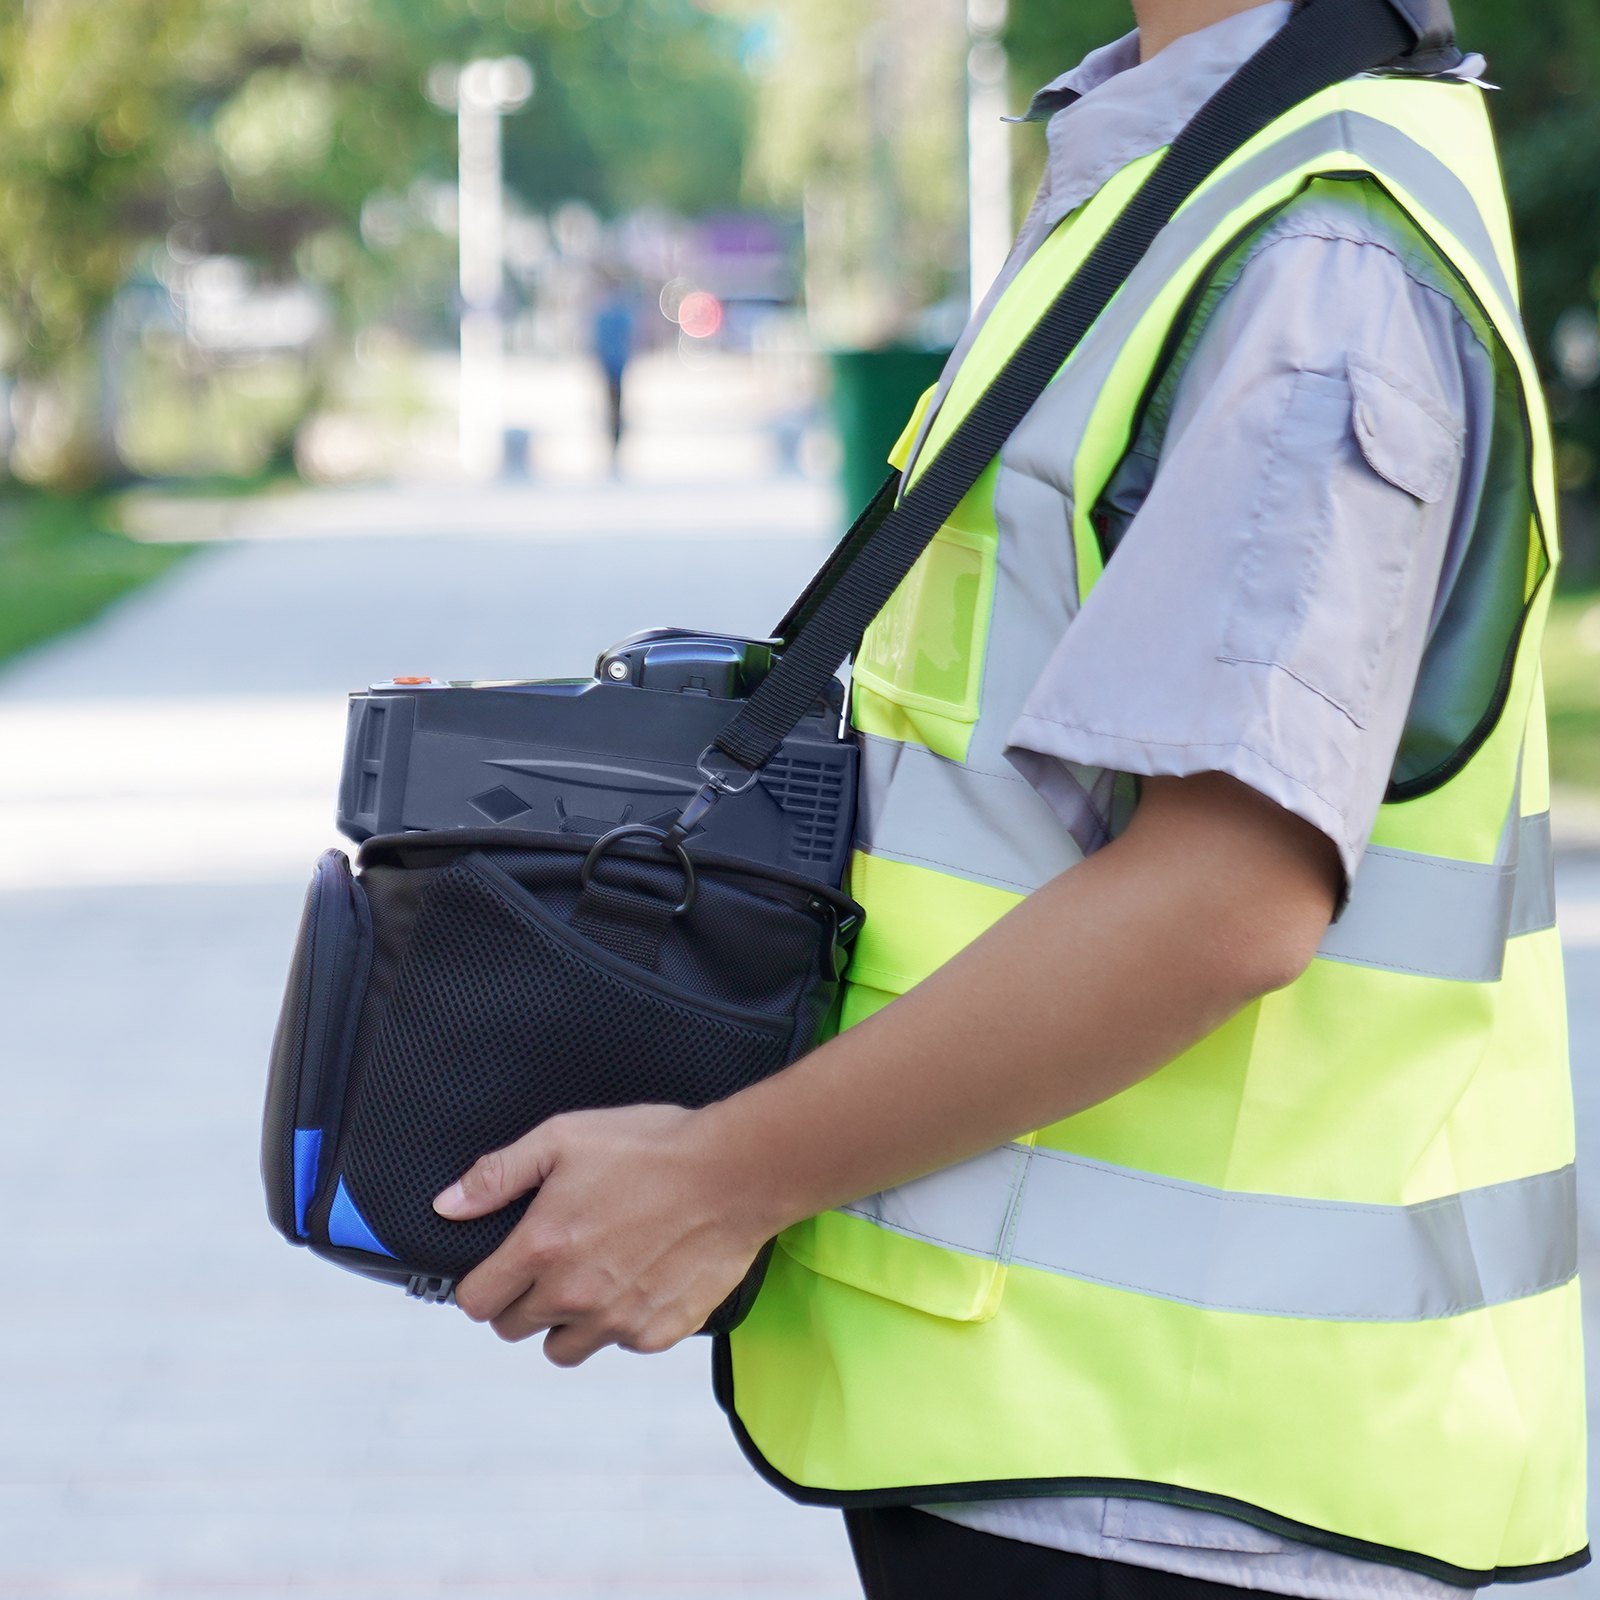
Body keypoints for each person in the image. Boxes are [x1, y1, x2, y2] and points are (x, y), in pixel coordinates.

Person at [430, 1, 1587, 1595]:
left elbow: (1224, 901)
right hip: (1078, 1442)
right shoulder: (1191, 166)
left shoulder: (1322, 253)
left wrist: (726, 1177)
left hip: (1187, 1482)